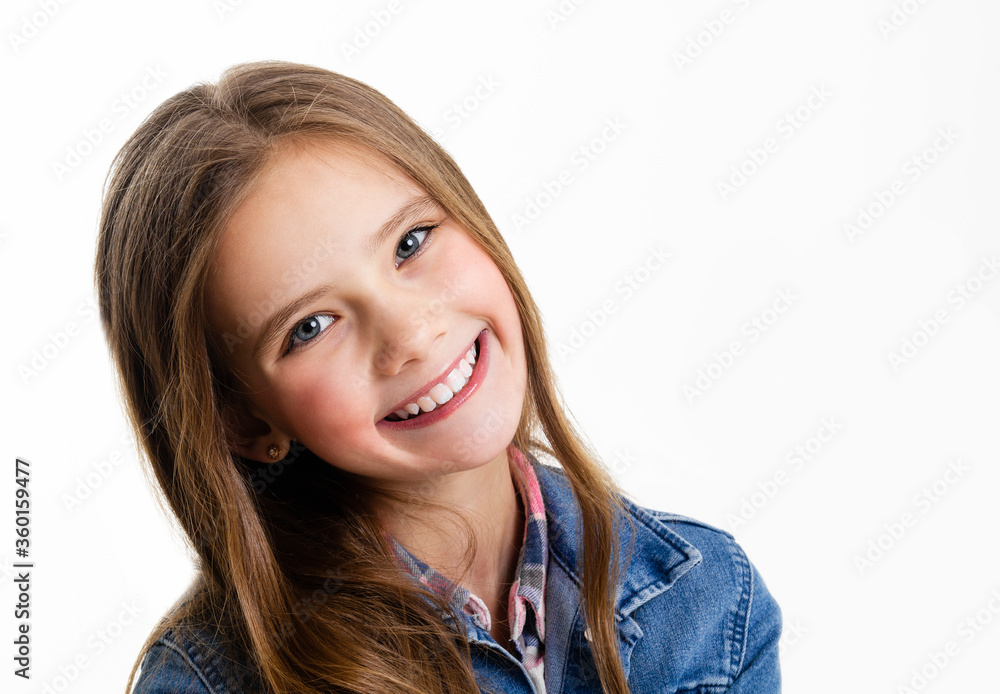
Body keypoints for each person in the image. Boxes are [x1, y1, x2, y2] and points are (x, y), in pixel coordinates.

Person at [96, 60, 782, 694]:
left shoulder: (709, 601)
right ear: (246, 421)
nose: (411, 335)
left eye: (411, 242)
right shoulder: (209, 683)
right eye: (311, 326)